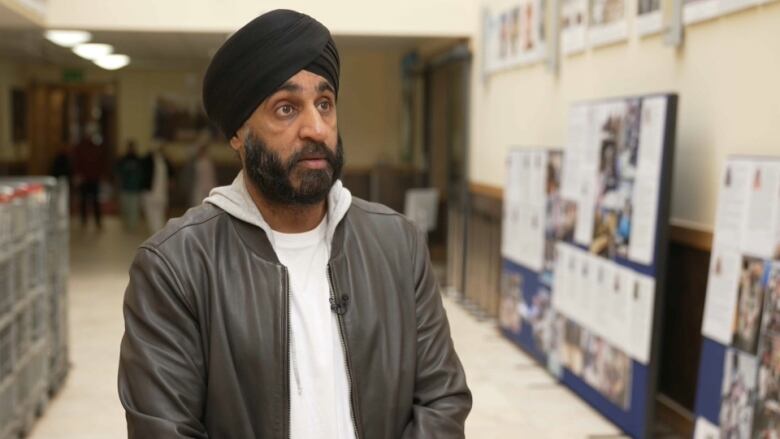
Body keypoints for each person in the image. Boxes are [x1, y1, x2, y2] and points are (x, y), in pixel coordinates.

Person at [118, 9, 471, 439]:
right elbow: (164, 429)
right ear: (238, 134)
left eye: (324, 103)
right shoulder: (175, 266)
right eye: (286, 109)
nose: (317, 128)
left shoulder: (398, 243)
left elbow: (442, 400)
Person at [72, 137, 106, 229]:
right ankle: (85, 220)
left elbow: (101, 163)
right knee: (85, 200)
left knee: (93, 200)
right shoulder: (80, 149)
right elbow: (77, 163)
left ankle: (96, 220)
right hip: (86, 179)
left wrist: (100, 175)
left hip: (93, 179)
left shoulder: (95, 149)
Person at [141, 141, 173, 232]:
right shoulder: (148, 160)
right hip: (150, 192)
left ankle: (159, 231)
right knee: (151, 213)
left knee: (160, 213)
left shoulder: (165, 161)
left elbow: (170, 174)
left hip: (161, 192)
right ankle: (155, 231)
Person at [115, 140, 145, 230]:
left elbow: (142, 174)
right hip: (124, 188)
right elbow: (117, 172)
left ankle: (133, 226)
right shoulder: (122, 160)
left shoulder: (139, 160)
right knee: (125, 208)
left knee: (134, 208)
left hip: (135, 188)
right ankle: (126, 224)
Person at [190, 140, 217, 207]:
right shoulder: (196, 163)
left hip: (209, 188)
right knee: (198, 205)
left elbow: (211, 177)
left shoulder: (208, 162)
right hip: (198, 188)